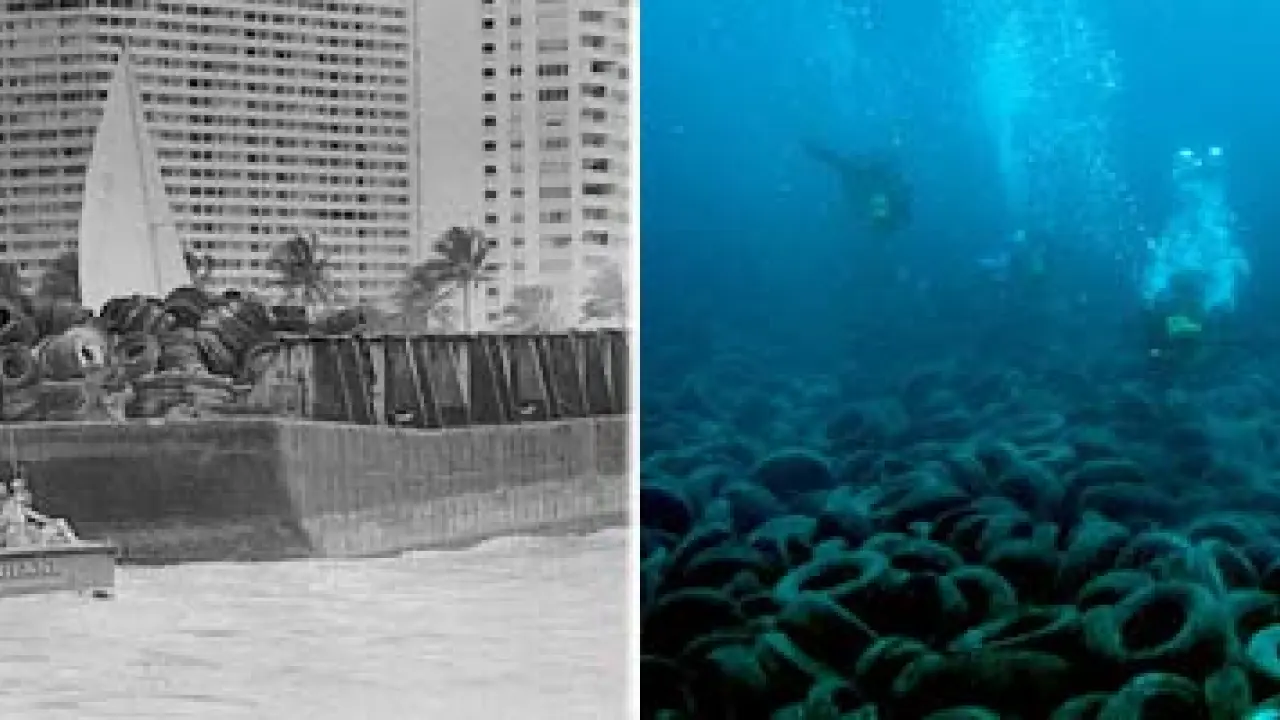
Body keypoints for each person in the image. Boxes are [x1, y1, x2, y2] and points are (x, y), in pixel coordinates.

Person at [802, 140, 913, 237]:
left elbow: (900, 216)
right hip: (864, 202)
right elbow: (835, 160)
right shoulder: (863, 172)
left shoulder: (889, 192)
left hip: (868, 208)